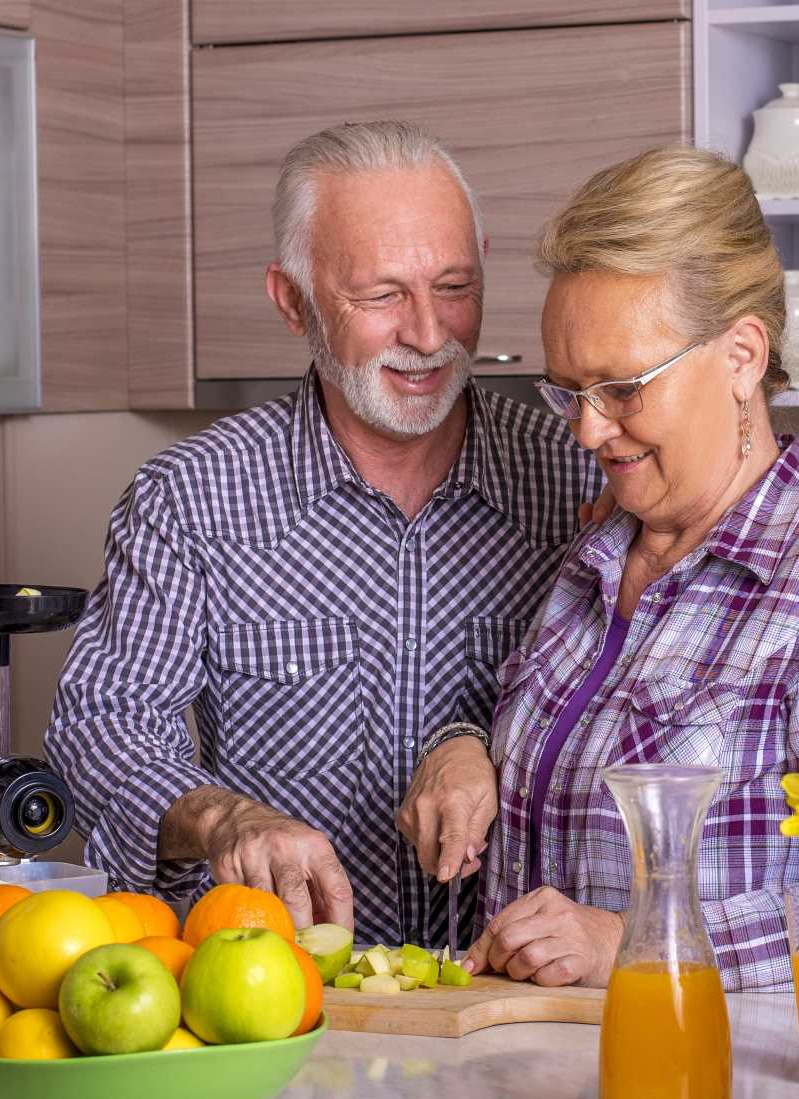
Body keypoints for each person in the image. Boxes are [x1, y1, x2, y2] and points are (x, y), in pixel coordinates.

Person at [397, 146, 799, 990]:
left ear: (742, 356)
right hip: (530, 1079)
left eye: (621, 389)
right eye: (569, 391)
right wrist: (467, 749)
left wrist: (636, 941)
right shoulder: (595, 557)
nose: (586, 432)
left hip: (720, 1094)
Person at [45, 122, 603, 946]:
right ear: (293, 300)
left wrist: (477, 744)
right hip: (277, 1007)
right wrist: (224, 818)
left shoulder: (580, 480)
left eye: (454, 286)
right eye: (381, 296)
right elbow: (104, 724)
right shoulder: (193, 499)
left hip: (517, 1006)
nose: (426, 334)